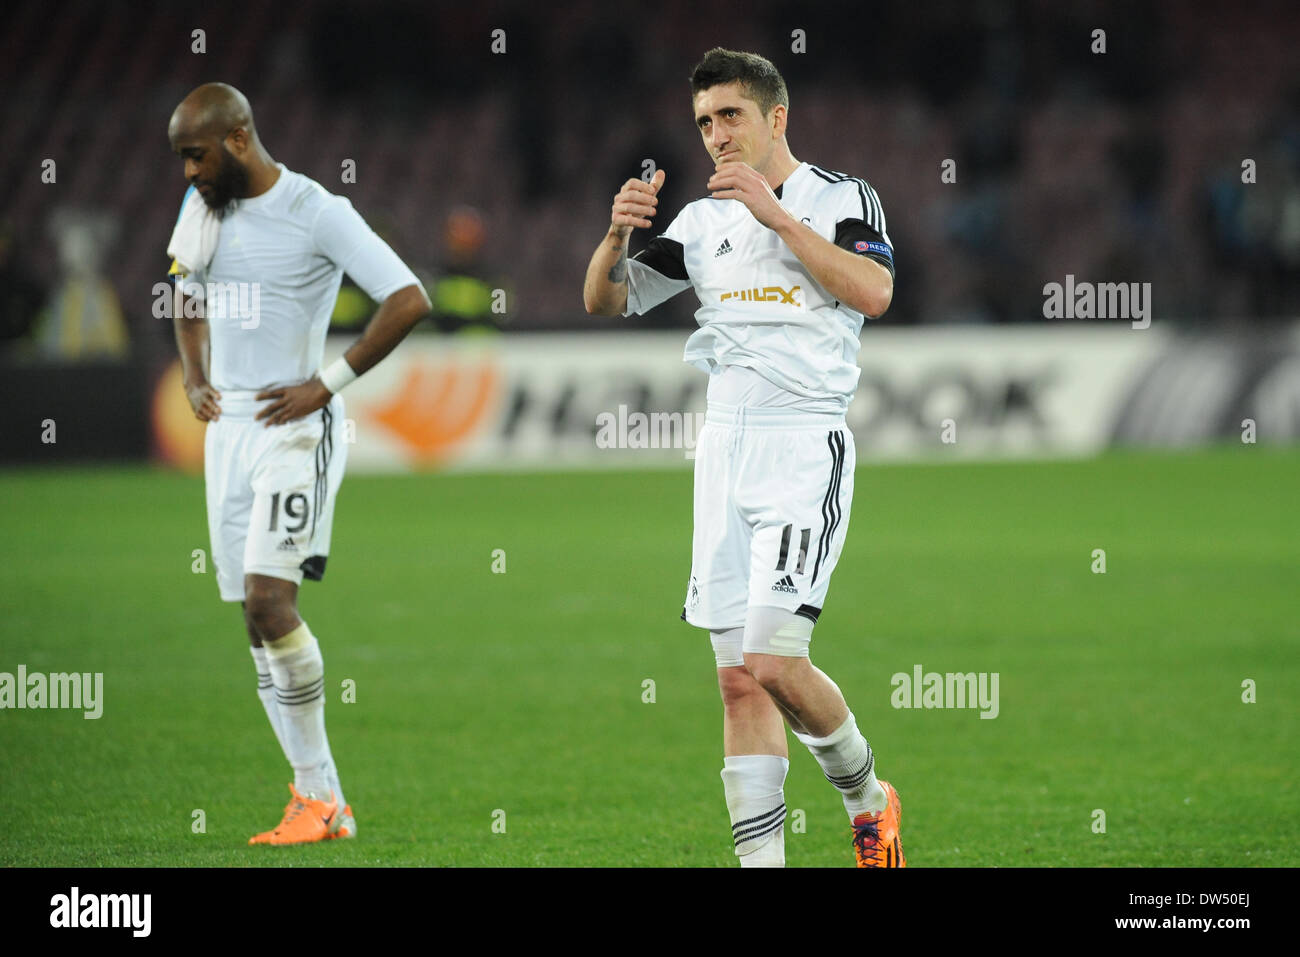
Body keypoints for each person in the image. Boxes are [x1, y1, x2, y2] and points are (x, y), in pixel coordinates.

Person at [583, 48, 903, 867]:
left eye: (730, 115)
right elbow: (606, 298)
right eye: (703, 121)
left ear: (775, 118)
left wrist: (778, 217)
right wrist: (617, 231)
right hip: (723, 449)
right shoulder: (697, 222)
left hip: (802, 444)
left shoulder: (839, 197)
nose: (716, 135)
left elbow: (873, 293)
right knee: (735, 680)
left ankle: (867, 794)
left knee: (772, 658)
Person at [166, 83, 431, 845]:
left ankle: (321, 798)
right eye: (182, 157)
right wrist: (193, 372)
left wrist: (326, 383)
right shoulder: (204, 208)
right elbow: (182, 290)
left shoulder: (317, 211)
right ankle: (317, 802)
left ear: (239, 138)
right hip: (231, 433)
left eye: (196, 154)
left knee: (269, 603)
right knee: (253, 623)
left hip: (294, 427)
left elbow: (407, 298)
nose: (188, 171)